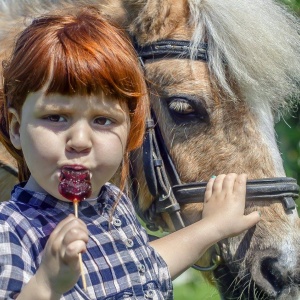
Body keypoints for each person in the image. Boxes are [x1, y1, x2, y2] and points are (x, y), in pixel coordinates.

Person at [0, 6, 260, 300]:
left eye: (103, 120)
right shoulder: (11, 233)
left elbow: (146, 267)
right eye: (56, 117)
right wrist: (46, 286)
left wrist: (212, 227)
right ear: (17, 129)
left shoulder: (114, 206)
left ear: (130, 131)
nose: (80, 140)